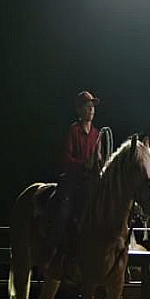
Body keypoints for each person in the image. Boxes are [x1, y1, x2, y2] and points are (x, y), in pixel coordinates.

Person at [51, 91, 102, 266]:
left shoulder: (97, 134)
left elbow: (99, 158)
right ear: (79, 109)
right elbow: (67, 157)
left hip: (90, 180)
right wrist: (83, 165)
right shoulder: (73, 130)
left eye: (93, 106)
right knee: (65, 208)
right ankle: (58, 249)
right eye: (88, 106)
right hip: (73, 180)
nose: (91, 109)